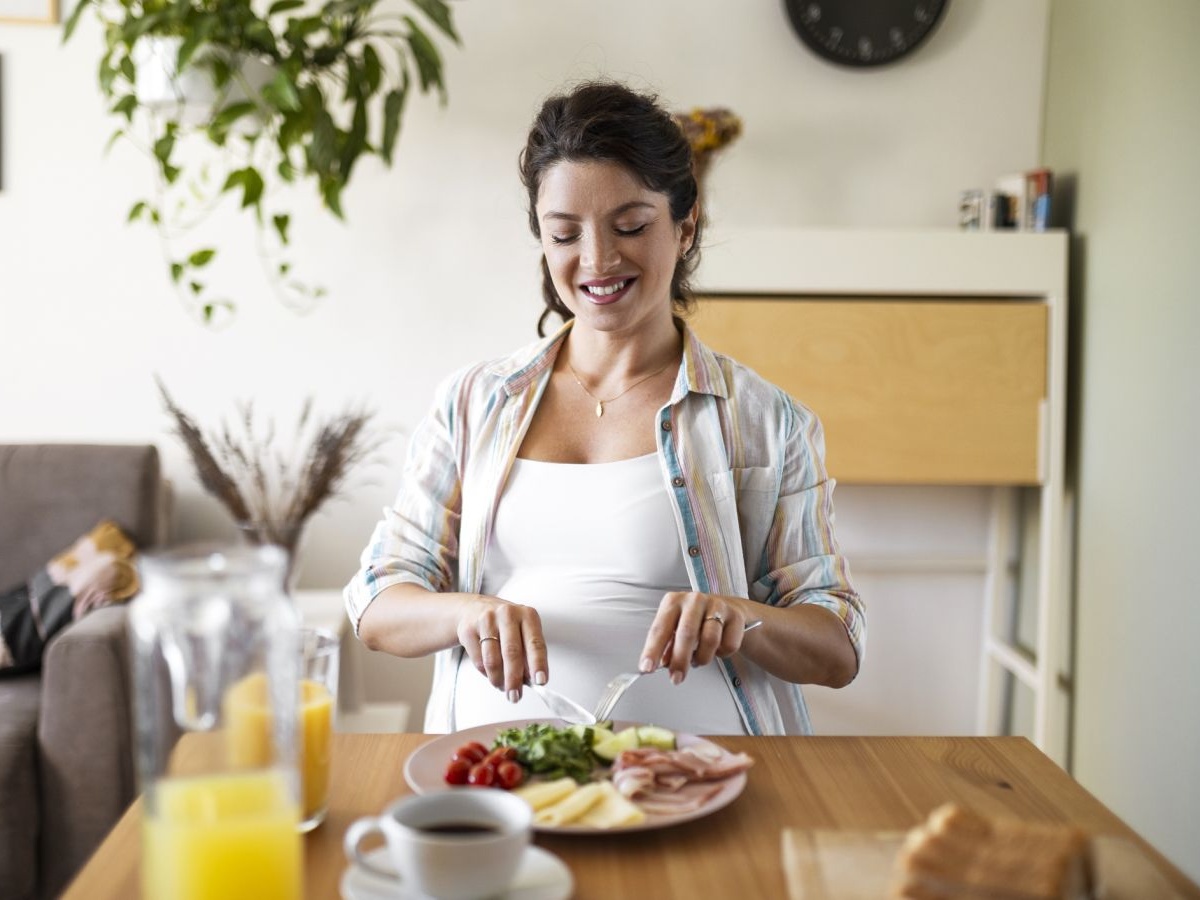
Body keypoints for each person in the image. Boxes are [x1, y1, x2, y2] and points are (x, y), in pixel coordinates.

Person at [344, 80, 864, 736]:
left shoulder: (764, 421)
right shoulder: (473, 402)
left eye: (630, 226)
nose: (597, 260)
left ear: (685, 222)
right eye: (565, 234)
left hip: (709, 788)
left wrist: (741, 617)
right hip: (495, 792)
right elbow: (375, 602)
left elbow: (839, 645)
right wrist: (465, 615)